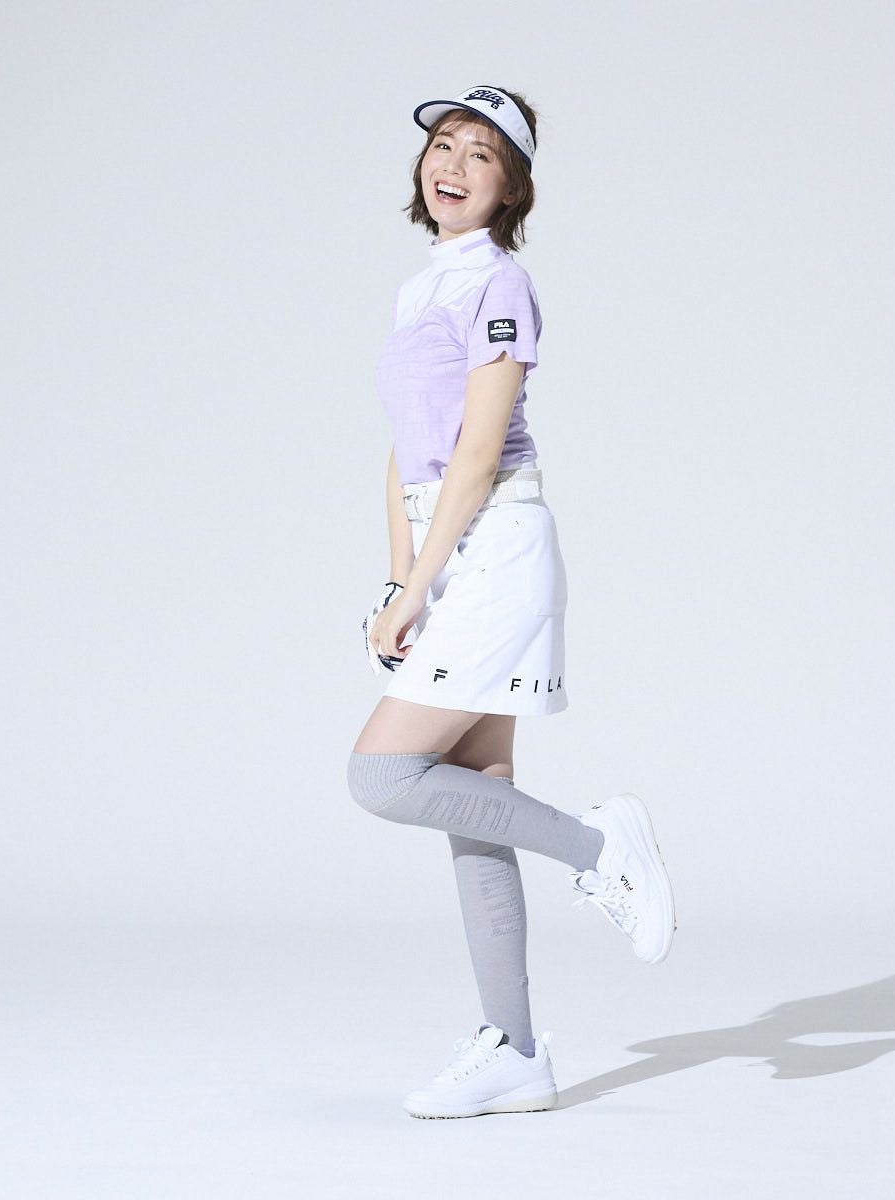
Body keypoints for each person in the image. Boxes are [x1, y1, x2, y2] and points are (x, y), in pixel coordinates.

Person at [347, 84, 676, 1120]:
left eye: (480, 154)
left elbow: (479, 452)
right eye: (443, 145)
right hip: (449, 546)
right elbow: (406, 446)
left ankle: (600, 847)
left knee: (383, 775)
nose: (452, 164)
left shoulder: (499, 283)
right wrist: (400, 574)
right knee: (475, 804)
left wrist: (419, 584)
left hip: (494, 543)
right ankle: (517, 1052)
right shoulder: (421, 289)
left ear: (510, 189)